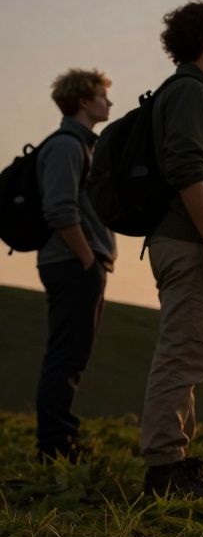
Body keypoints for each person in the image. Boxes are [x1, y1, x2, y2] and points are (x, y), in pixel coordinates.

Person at [140, 0, 203, 498]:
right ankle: (164, 469)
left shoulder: (191, 92)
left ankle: (178, 465)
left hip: (182, 241)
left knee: (188, 353)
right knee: (182, 354)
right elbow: (186, 170)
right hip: (188, 242)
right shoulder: (188, 93)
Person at [33, 68, 117, 463]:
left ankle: (59, 438)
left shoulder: (80, 144)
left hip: (74, 262)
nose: (108, 102)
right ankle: (54, 444)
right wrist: (87, 259)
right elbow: (60, 209)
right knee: (66, 355)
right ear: (84, 101)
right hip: (72, 262)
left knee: (70, 353)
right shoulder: (68, 146)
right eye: (102, 95)